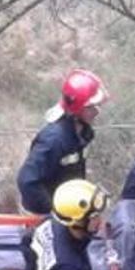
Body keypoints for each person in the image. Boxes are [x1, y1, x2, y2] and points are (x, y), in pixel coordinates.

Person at [16, 69, 108, 214]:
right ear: (77, 108)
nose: (97, 112)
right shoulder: (54, 140)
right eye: (91, 107)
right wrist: (53, 213)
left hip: (68, 206)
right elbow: (27, 181)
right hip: (44, 214)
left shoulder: (82, 133)